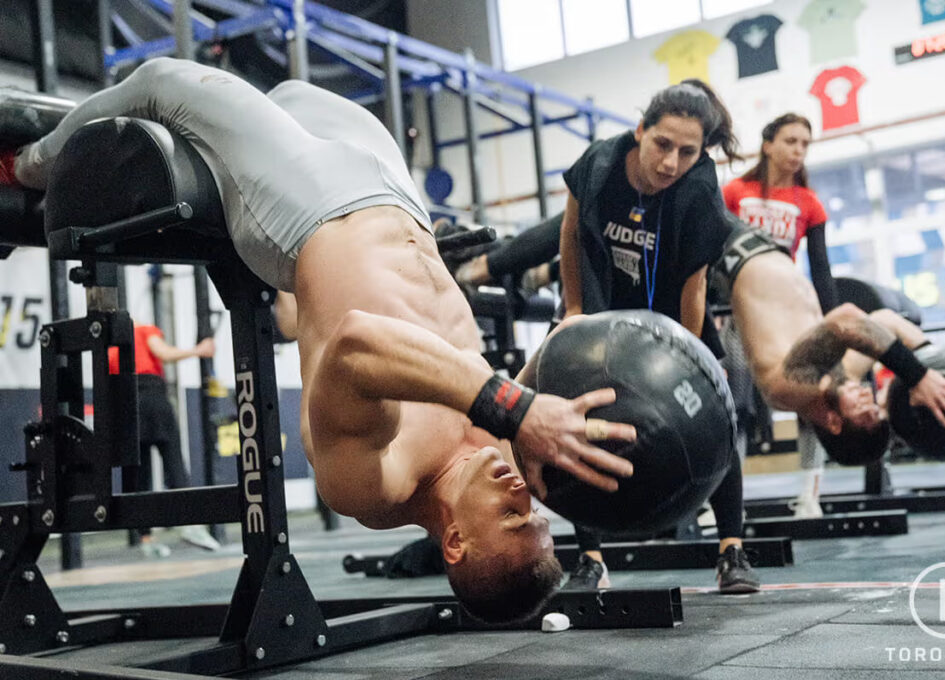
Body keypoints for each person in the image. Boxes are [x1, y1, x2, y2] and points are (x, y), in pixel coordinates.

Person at [2, 58, 638, 624]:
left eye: (512, 517)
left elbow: (358, 344)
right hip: (401, 203)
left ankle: (20, 170)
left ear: (454, 544)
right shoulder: (499, 449)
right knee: (299, 92)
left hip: (307, 210)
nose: (524, 494)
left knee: (163, 83)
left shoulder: (377, 482)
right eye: (539, 515)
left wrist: (516, 406)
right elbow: (546, 362)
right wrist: (572, 338)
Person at [556, 80, 760, 594]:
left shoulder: (699, 191)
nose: (671, 162)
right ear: (640, 131)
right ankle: (591, 558)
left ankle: (732, 551)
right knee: (578, 419)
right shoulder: (600, 165)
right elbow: (571, 233)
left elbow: (694, 286)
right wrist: (575, 309)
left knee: (715, 419)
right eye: (662, 145)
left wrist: (686, 359)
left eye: (687, 152)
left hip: (675, 316)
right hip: (606, 308)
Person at [713, 218, 945, 463]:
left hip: (724, 248)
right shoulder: (842, 375)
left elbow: (845, 320)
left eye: (864, 410)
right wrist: (931, 361)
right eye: (875, 404)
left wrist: (918, 376)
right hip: (758, 242)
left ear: (834, 423)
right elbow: (887, 320)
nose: (867, 394)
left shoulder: (787, 389)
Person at [722, 112, 836, 518]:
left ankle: (810, 496)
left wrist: (832, 324)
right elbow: (712, 254)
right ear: (768, 143)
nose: (798, 151)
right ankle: (725, 504)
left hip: (790, 314)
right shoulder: (735, 192)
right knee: (730, 407)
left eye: (805, 144)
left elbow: (821, 270)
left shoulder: (810, 203)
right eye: (790, 141)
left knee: (812, 399)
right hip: (740, 310)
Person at [107, 322, 220, 556]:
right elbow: (163, 353)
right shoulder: (142, 329)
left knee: (138, 473)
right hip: (151, 396)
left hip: (125, 403)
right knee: (173, 460)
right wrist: (198, 350)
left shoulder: (108, 345)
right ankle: (191, 526)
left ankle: (145, 538)